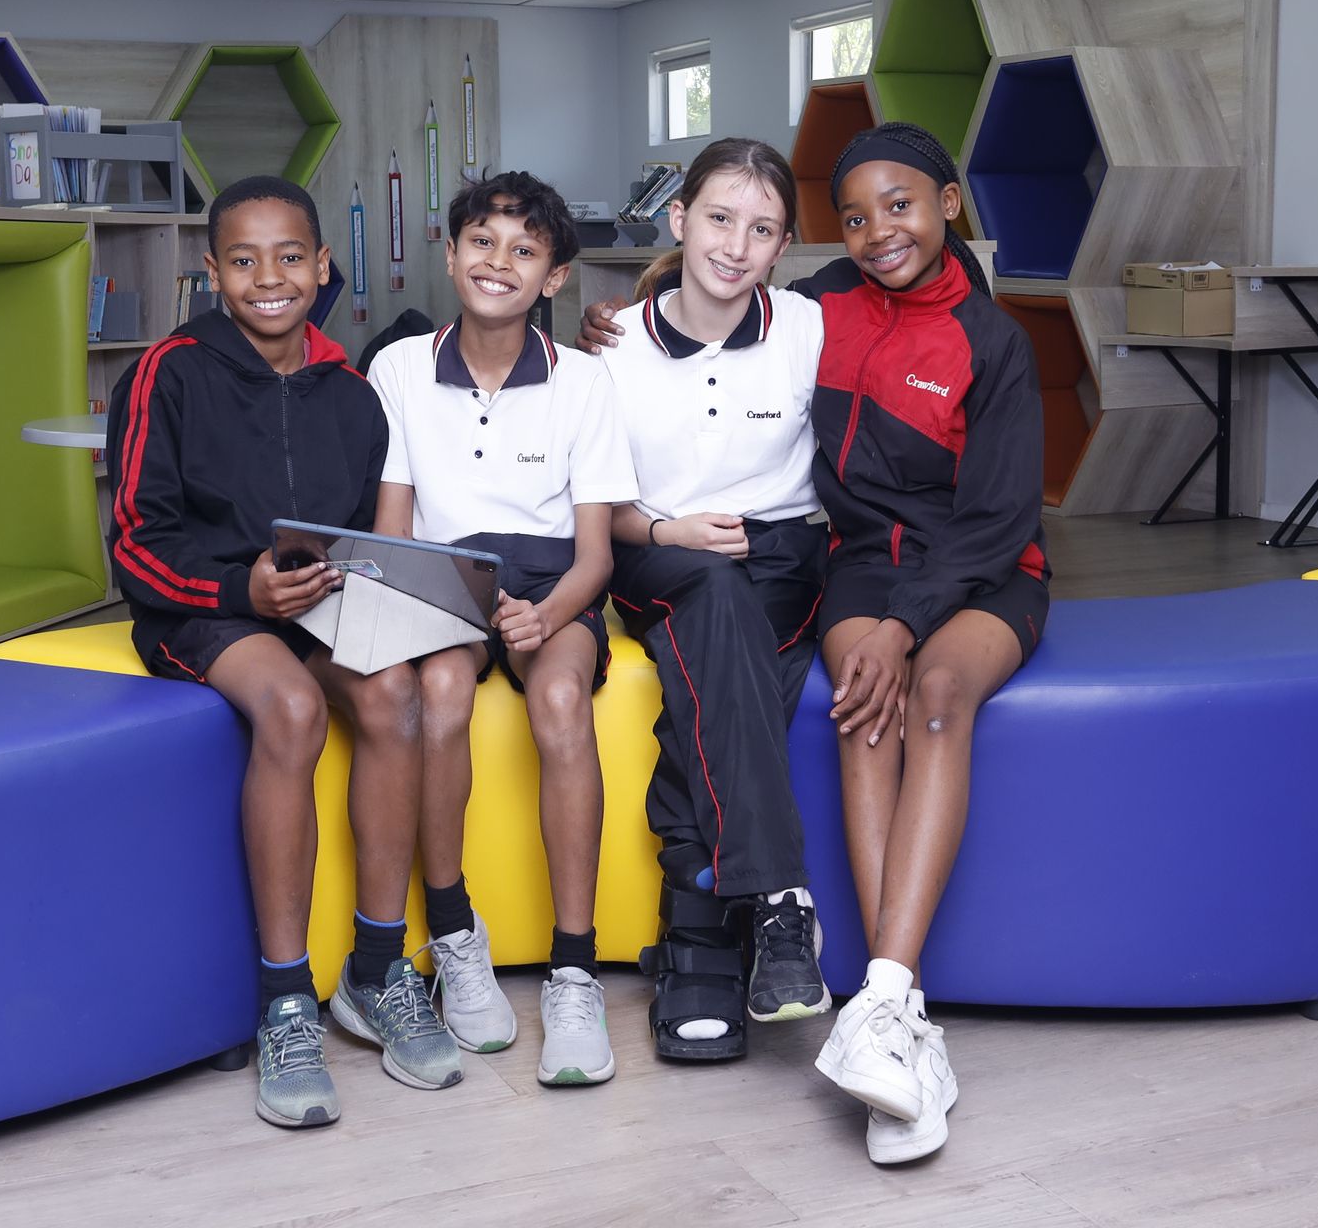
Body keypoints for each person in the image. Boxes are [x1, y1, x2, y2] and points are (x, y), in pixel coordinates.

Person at [106, 175, 462, 1132]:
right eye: (245, 259)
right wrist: (241, 590)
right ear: (214, 272)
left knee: (392, 698)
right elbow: (137, 540)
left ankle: (379, 972)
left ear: (323, 266)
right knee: (296, 711)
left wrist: (349, 590)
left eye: (291, 256)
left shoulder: (353, 392)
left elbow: (363, 537)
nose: (270, 277)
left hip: (320, 602)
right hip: (207, 606)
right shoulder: (165, 372)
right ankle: (285, 999)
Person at [805, 123, 1048, 1164]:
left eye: (898, 205)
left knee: (937, 695)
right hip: (862, 562)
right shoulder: (816, 307)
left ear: (949, 204)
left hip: (989, 569)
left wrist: (912, 623)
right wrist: (614, 324)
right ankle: (897, 1027)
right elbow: (705, 316)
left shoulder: (994, 341)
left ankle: (883, 1001)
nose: (876, 232)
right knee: (868, 708)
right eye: (855, 215)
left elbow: (1000, 520)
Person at [367, 171, 638, 1086]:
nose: (499, 262)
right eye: (482, 242)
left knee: (560, 699)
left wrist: (547, 613)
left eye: (525, 250)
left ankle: (574, 968)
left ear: (554, 278)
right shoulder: (400, 369)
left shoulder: (585, 383)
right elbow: (392, 532)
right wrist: (445, 609)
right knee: (439, 690)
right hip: (442, 581)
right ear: (450, 254)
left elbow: (596, 559)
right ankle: (452, 932)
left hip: (552, 583)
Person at [590, 138, 833, 1063]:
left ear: (781, 248)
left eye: (763, 229)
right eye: (721, 219)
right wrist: (667, 533)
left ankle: (697, 948)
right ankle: (777, 900)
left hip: (780, 557)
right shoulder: (614, 348)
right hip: (657, 551)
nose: (737, 245)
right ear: (680, 219)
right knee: (712, 597)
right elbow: (602, 508)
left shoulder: (809, 326)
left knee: (717, 657)